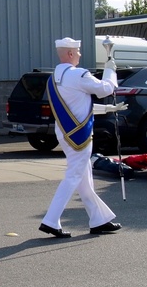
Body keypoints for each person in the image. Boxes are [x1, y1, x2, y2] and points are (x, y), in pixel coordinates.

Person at [39, 37, 126, 239]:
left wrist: (108, 108)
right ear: (70, 53)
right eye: (77, 52)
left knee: (83, 177)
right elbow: (106, 88)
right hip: (79, 135)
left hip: (65, 132)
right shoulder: (78, 74)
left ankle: (98, 220)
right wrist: (110, 69)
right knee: (74, 176)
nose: (79, 55)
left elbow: (78, 106)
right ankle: (51, 220)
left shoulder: (54, 78)